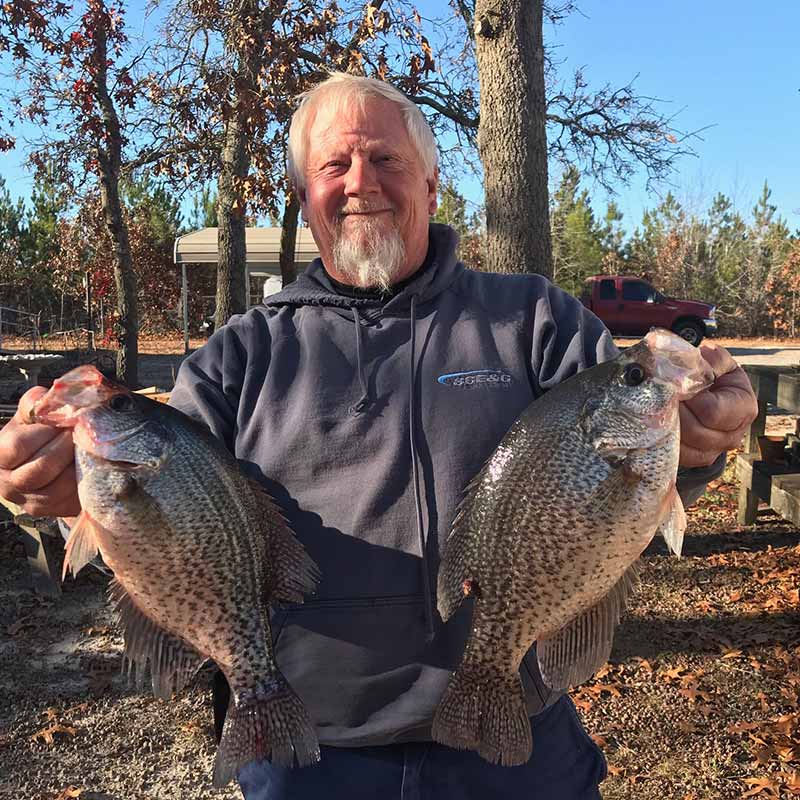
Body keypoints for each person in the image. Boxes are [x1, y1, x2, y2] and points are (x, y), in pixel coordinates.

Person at [0, 73, 757, 799]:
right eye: (335, 164)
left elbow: (633, 473)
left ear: (431, 185)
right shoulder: (237, 355)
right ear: (305, 195)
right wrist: (60, 496)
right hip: (305, 749)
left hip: (516, 732)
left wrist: (698, 446)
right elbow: (165, 525)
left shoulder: (535, 320)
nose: (361, 181)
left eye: (387, 159)